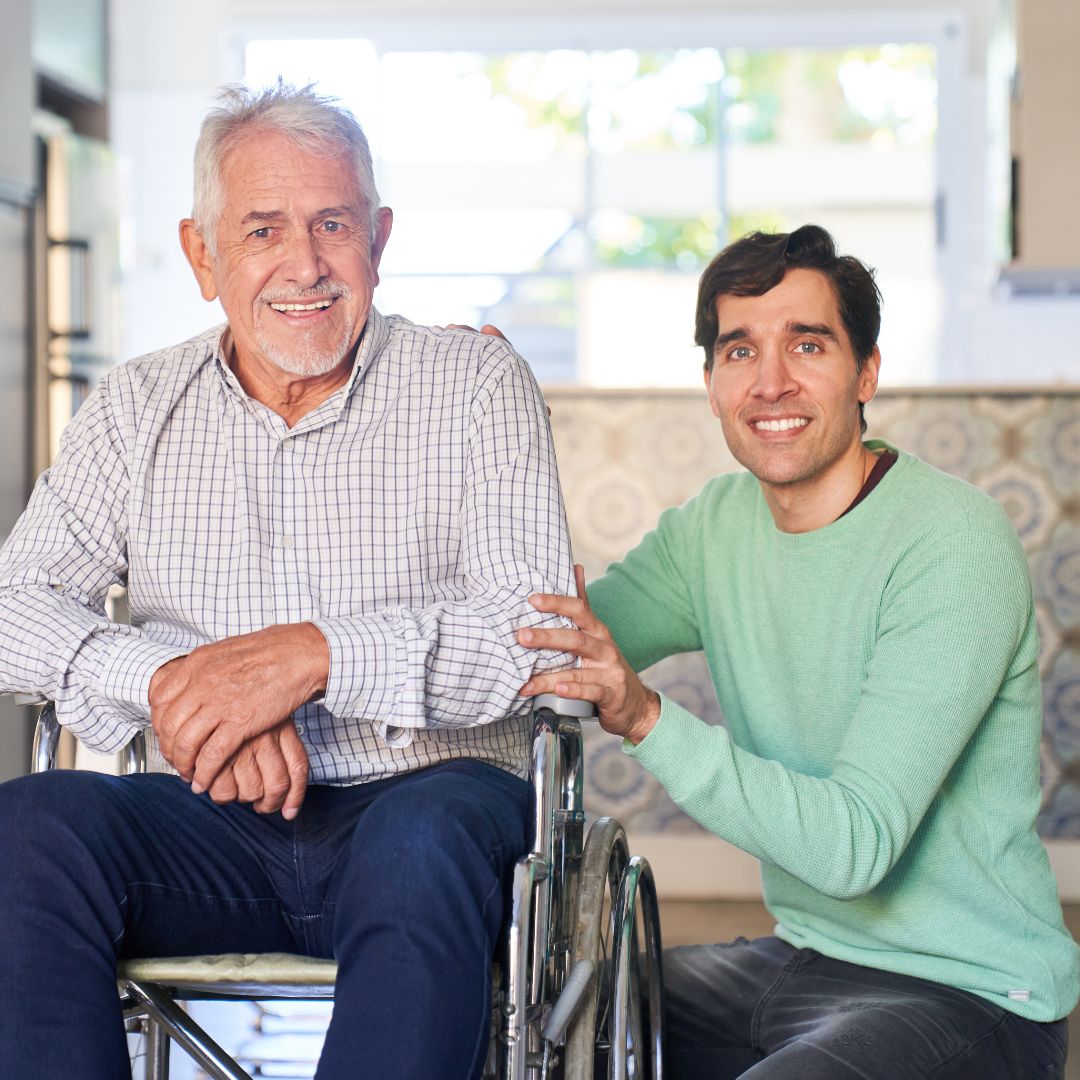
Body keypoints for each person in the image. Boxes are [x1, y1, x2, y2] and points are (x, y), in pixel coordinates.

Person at [0, 82, 576, 1079]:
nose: (303, 264)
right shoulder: (136, 405)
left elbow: (528, 635)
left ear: (379, 238)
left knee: (422, 837)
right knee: (30, 830)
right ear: (202, 253)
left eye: (332, 224)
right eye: (262, 228)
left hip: (430, 800)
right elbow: (13, 608)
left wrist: (309, 660)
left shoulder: (476, 384)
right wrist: (184, 686)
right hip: (212, 821)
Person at [517, 225, 1078, 1078]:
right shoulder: (716, 527)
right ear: (709, 384)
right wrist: (495, 426)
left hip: (970, 994)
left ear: (866, 373)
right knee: (538, 1021)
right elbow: (557, 642)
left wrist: (646, 719)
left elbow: (852, 849)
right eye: (740, 350)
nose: (770, 381)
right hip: (800, 958)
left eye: (807, 344)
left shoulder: (951, 541)